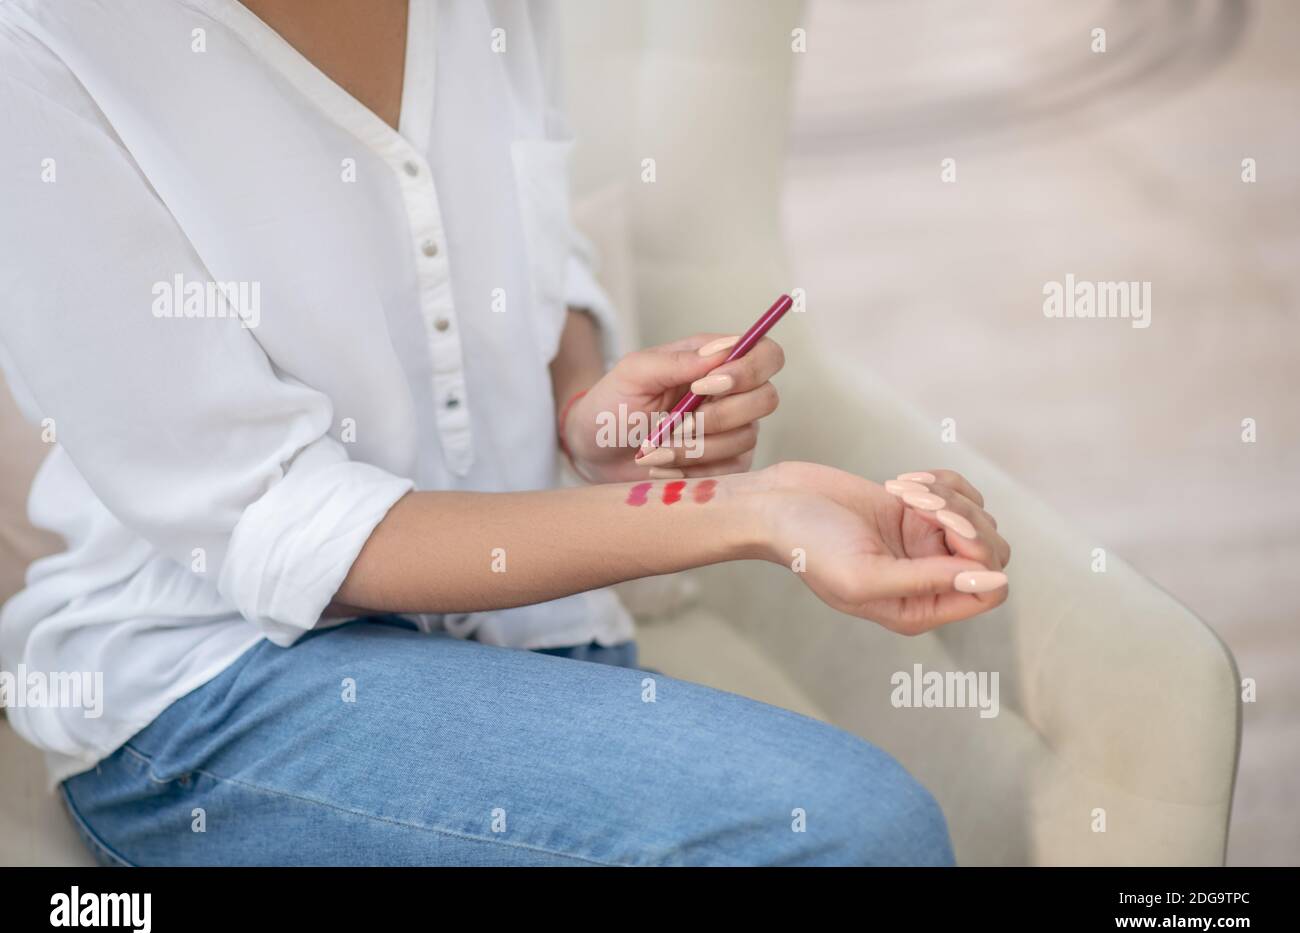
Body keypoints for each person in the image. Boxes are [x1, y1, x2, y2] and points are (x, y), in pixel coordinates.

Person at [0, 0, 1008, 866]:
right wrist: (745, 509)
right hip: (222, 686)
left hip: (522, 635)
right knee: (852, 833)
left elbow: (532, 254)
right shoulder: (41, 49)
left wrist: (586, 409)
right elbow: (281, 523)